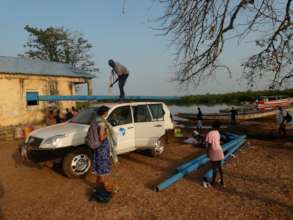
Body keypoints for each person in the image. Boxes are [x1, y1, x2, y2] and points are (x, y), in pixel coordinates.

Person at [93, 106, 118, 195]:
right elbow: (101, 137)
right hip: (102, 149)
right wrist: (107, 133)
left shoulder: (96, 120)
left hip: (99, 148)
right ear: (104, 113)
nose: (107, 113)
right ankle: (102, 188)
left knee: (100, 168)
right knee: (102, 169)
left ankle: (97, 187)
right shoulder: (102, 123)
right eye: (107, 111)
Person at [205, 120, 224, 187]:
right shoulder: (217, 133)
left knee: (214, 168)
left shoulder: (209, 133)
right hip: (219, 151)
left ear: (212, 125)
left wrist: (207, 152)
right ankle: (222, 181)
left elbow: (209, 144)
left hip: (213, 152)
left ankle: (213, 183)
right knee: (219, 167)